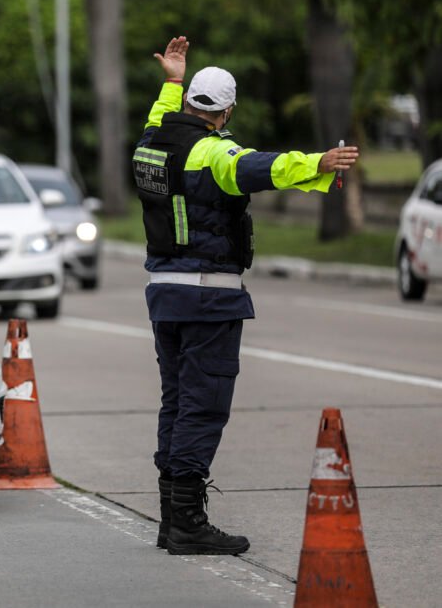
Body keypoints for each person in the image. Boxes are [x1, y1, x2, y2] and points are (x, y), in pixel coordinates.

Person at [134, 36, 359, 556]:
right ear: (227, 111)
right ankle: (187, 523)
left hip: (164, 293)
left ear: (189, 102)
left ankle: (172, 520)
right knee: (203, 407)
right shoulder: (215, 151)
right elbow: (261, 168)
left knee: (177, 403)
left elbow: (159, 116)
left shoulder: (151, 142)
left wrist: (172, 81)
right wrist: (319, 163)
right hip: (208, 297)